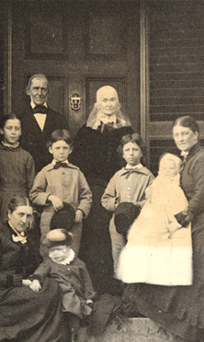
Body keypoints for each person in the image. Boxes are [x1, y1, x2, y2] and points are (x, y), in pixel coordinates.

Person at [124, 116, 204, 342]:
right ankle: (191, 331)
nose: (180, 139)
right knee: (190, 273)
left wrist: (180, 217)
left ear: (196, 135)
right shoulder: (186, 160)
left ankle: (199, 335)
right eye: (177, 135)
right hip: (200, 222)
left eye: (185, 134)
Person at [0, 196, 66, 342]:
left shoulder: (29, 237)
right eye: (20, 215)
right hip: (0, 291)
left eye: (29, 216)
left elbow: (38, 263)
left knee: (53, 287)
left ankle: (44, 341)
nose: (25, 220)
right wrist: (22, 282)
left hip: (24, 285)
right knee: (40, 296)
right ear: (9, 214)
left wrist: (36, 277)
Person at [72, 85, 134, 295]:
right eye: (104, 100)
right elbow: (79, 166)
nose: (108, 104)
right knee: (97, 236)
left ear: (118, 103)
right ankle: (96, 287)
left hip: (122, 190)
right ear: (97, 104)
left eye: (112, 100)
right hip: (96, 190)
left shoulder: (127, 132)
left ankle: (120, 288)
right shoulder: (86, 132)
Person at [116, 153, 192, 286]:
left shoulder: (177, 189)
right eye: (165, 168)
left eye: (171, 168)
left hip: (170, 224)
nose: (167, 172)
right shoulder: (156, 185)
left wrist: (173, 225)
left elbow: (181, 211)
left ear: (178, 170)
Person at [29, 229, 96, 342]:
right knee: (69, 303)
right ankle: (68, 339)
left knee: (77, 307)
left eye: (59, 250)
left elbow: (87, 283)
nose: (56, 254)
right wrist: (36, 280)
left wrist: (89, 298)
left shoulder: (79, 264)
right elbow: (40, 271)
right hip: (61, 295)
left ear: (68, 248)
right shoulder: (49, 263)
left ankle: (73, 335)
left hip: (77, 296)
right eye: (52, 250)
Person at [30, 129, 92, 257]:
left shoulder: (77, 172)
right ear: (50, 149)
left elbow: (87, 196)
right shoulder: (45, 172)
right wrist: (50, 197)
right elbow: (34, 194)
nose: (61, 151)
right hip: (50, 218)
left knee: (71, 253)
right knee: (49, 251)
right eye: (57, 148)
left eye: (65, 148)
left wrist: (81, 210)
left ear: (70, 150)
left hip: (73, 220)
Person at [101, 133, 154, 272]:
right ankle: (122, 287)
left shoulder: (148, 176)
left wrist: (137, 205)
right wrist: (118, 204)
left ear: (141, 152)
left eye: (135, 150)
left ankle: (137, 287)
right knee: (118, 251)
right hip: (117, 221)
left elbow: (154, 200)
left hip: (139, 221)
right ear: (122, 154)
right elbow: (105, 199)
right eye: (127, 150)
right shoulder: (118, 176)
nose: (131, 154)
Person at [18, 73, 69, 172]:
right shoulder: (18, 118)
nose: (40, 93)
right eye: (36, 88)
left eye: (43, 89)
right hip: (26, 172)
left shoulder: (60, 119)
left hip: (53, 173)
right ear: (28, 91)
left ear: (48, 92)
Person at [0, 112, 35, 219]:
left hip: (22, 199)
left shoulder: (26, 156)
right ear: (1, 130)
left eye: (17, 129)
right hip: (0, 200)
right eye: (9, 128)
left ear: (21, 131)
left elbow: (31, 187)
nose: (13, 132)